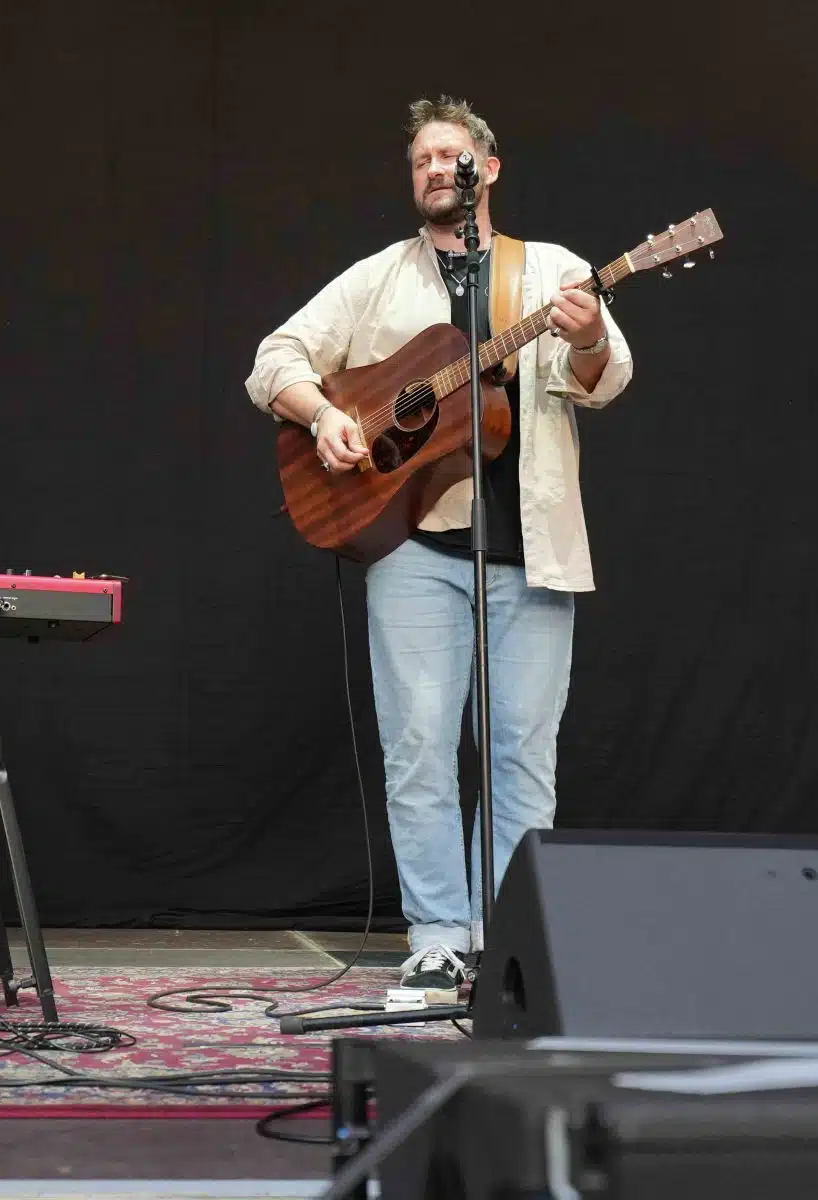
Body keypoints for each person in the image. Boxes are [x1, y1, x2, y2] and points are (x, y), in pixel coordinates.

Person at [244, 97, 633, 1002]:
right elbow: (275, 359)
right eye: (420, 158)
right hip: (415, 545)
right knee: (419, 747)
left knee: (523, 751)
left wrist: (584, 336)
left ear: (487, 169)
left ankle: (509, 938)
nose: (432, 170)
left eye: (448, 156)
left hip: (532, 550)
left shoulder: (552, 270)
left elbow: (605, 378)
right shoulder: (381, 277)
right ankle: (436, 937)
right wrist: (327, 415)